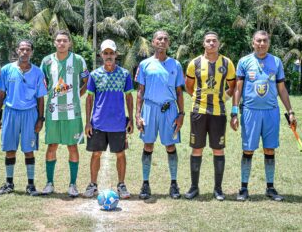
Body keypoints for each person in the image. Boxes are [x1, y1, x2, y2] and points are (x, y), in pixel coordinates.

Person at [230, 30, 297, 201]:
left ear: (269, 43)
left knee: (269, 149)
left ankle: (270, 187)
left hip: (271, 112)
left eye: (264, 41)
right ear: (253, 42)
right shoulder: (244, 62)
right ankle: (244, 188)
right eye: (258, 41)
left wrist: (290, 112)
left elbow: (281, 89)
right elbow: (238, 88)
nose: (261, 44)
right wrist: (235, 112)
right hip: (250, 112)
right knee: (248, 149)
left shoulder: (276, 62)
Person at [184, 31, 236, 200]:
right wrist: (198, 99)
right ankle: (193, 187)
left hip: (218, 113)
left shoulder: (227, 63)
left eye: (214, 41)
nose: (211, 43)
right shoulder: (195, 63)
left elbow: (233, 86)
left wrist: (224, 98)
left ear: (219, 43)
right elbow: (189, 86)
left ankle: (218, 189)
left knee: (218, 149)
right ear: (203, 44)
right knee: (197, 148)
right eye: (208, 41)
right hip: (198, 112)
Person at [135, 30, 185, 199]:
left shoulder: (175, 65)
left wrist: (181, 114)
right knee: (148, 145)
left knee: (170, 146)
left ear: (168, 43)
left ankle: (173, 183)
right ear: (153, 42)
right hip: (149, 108)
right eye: (159, 39)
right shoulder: (145, 64)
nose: (162, 41)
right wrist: (137, 114)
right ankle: (145, 183)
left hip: (169, 109)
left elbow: (179, 92)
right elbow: (140, 92)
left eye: (165, 39)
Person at [0, 40, 47, 196]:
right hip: (10, 112)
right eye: (22, 49)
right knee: (10, 149)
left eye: (28, 49)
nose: (24, 52)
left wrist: (40, 119)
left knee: (29, 150)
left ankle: (30, 185)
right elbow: (1, 94)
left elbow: (40, 98)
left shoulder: (38, 72)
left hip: (30, 114)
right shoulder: (6, 70)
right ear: (17, 50)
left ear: (31, 52)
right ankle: (9, 183)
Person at [40, 30, 89, 197]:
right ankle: (49, 183)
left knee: (72, 146)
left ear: (70, 43)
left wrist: (77, 95)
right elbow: (42, 83)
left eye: (64, 41)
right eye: (58, 40)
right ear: (54, 42)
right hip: (53, 112)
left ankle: (73, 185)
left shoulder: (78, 60)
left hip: (72, 112)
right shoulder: (46, 61)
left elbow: (86, 81)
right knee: (52, 145)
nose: (61, 43)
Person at [83, 39, 134, 199]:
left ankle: (121, 184)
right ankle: (92, 185)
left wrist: (130, 119)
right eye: (106, 53)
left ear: (116, 54)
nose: (109, 56)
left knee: (120, 154)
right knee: (96, 154)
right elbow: (89, 99)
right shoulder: (95, 75)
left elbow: (129, 97)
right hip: (98, 123)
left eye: (111, 53)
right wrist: (88, 122)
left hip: (118, 123)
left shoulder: (124, 74)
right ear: (101, 55)